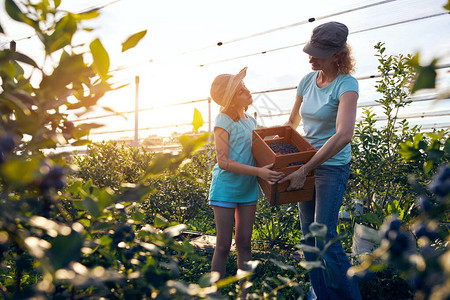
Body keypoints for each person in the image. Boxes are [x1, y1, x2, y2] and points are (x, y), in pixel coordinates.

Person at [279, 21, 362, 300]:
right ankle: (322, 296)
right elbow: (291, 124)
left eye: (318, 52)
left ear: (337, 54)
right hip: (305, 164)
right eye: (310, 50)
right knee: (309, 240)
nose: (310, 57)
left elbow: (344, 135)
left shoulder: (346, 85)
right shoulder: (306, 81)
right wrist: (272, 151)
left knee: (324, 236)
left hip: (331, 166)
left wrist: (306, 168)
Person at [208, 67, 284, 294]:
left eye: (245, 88)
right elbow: (223, 161)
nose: (247, 91)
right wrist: (259, 172)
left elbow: (259, 147)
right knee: (222, 245)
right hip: (226, 189)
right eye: (241, 91)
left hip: (248, 189)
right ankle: (215, 294)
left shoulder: (250, 120)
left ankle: (245, 294)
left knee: (244, 243)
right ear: (231, 99)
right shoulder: (222, 120)